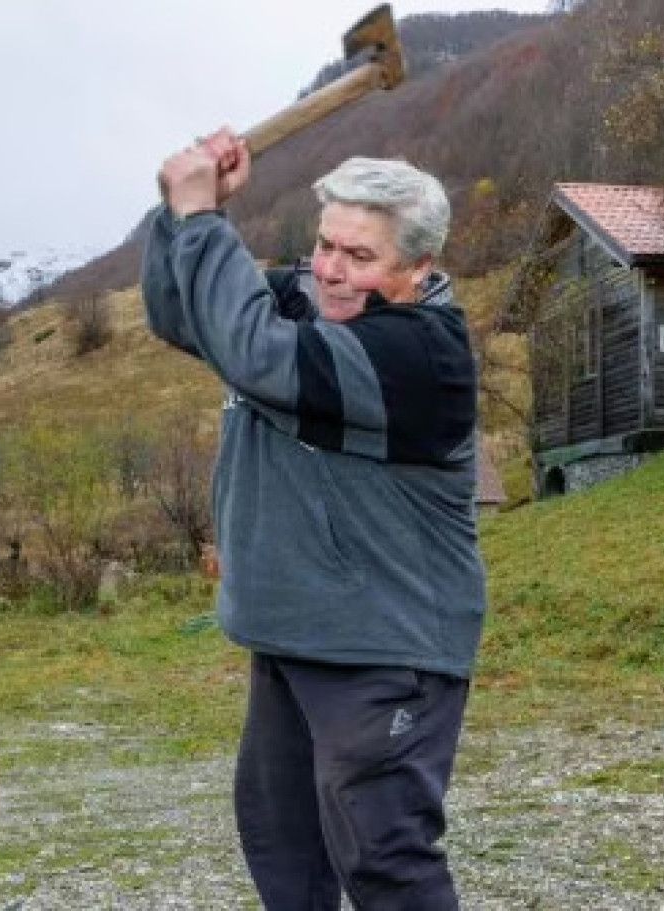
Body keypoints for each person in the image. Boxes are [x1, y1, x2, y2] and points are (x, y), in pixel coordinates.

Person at [142, 126, 486, 911]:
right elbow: (180, 313)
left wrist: (204, 223)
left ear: (419, 267)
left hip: (384, 648)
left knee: (384, 858)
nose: (330, 269)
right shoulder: (306, 302)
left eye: (360, 256)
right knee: (286, 852)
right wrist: (179, 213)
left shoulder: (418, 357)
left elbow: (256, 354)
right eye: (326, 244)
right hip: (293, 636)